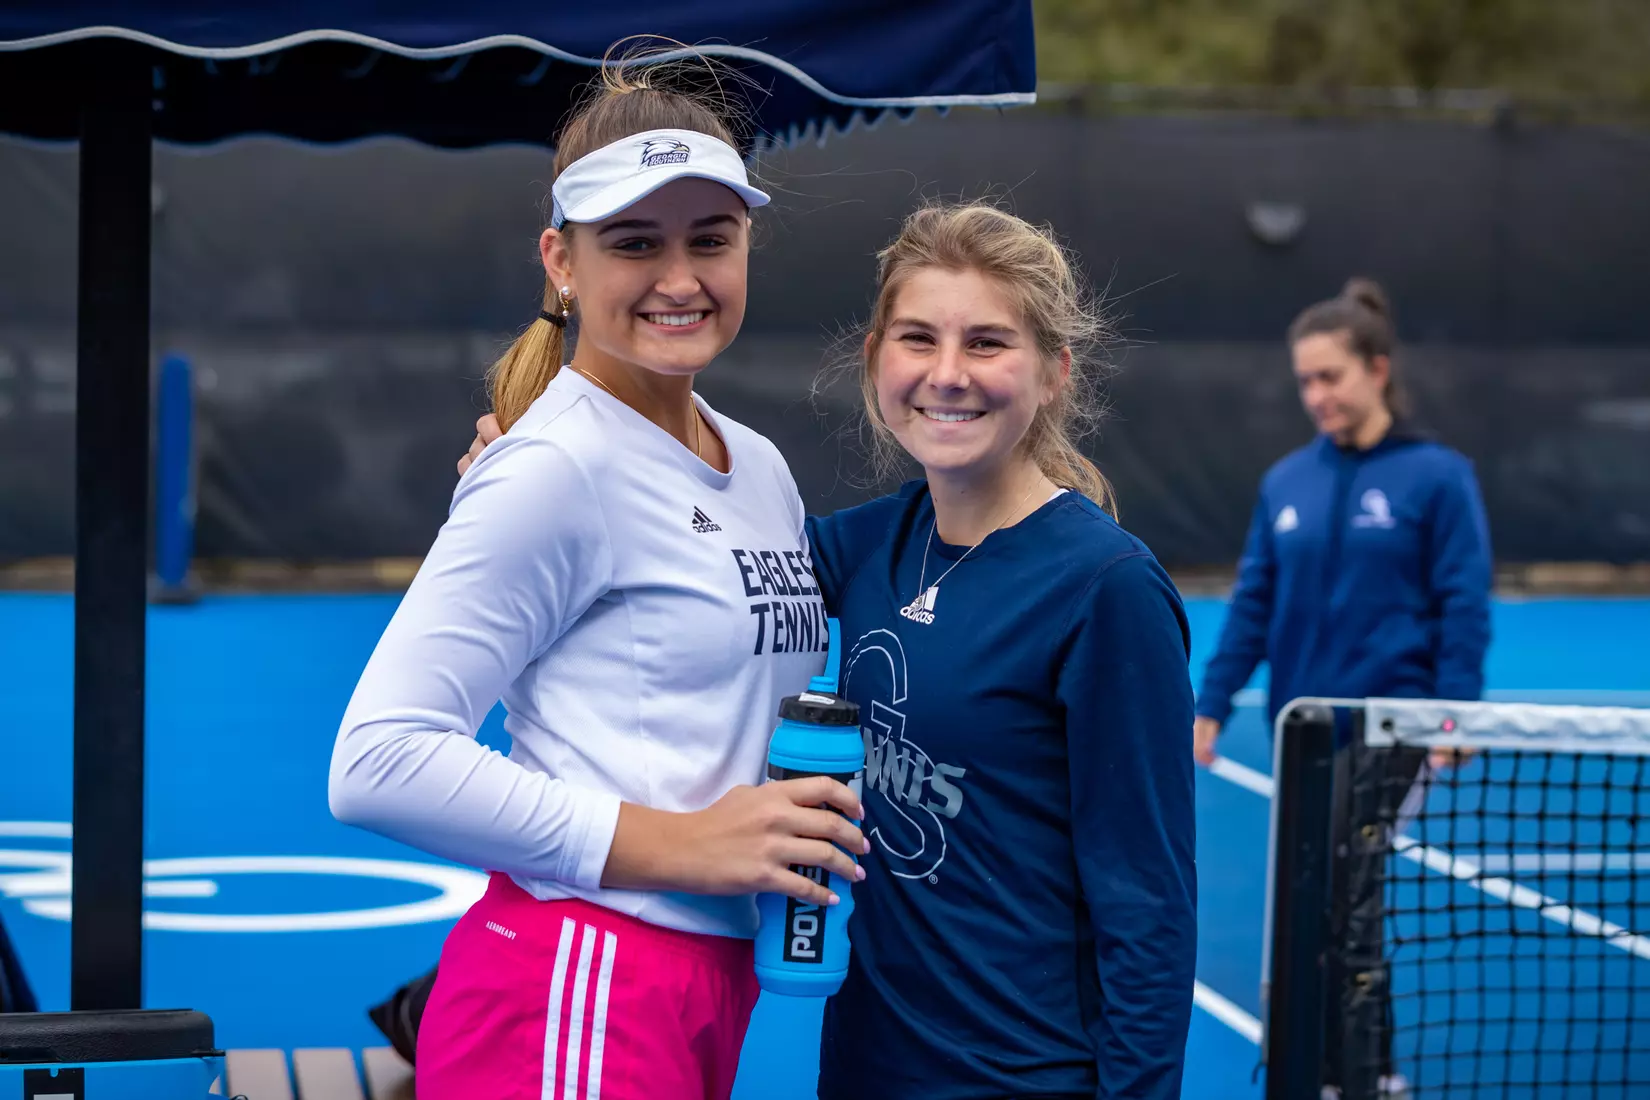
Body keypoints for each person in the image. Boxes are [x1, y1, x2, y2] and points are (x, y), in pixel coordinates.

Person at [461, 202, 1199, 1098]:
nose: (948, 375)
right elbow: (680, 560)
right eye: (918, 339)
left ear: (1053, 374)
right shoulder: (866, 549)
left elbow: (1148, 906)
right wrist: (537, 472)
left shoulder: (1106, 588)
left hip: (1024, 1076)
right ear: (876, 361)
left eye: (989, 344)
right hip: (865, 1064)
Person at [329, 64, 866, 1100]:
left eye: (710, 238)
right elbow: (377, 759)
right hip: (578, 980)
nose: (681, 275)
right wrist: (679, 841)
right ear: (561, 262)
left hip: (699, 981)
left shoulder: (754, 462)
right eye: (634, 242)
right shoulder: (552, 467)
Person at [1190, 278, 1493, 1098]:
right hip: (1306, 735)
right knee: (1313, 902)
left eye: (1331, 377)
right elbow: (1255, 601)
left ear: (1378, 370)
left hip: (1392, 733)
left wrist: (1453, 715)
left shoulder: (1438, 478)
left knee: (1346, 904)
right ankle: (1325, 1066)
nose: (1317, 396)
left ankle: (1363, 1076)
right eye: (1306, 381)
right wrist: (1212, 703)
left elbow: (1463, 604)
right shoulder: (1287, 481)